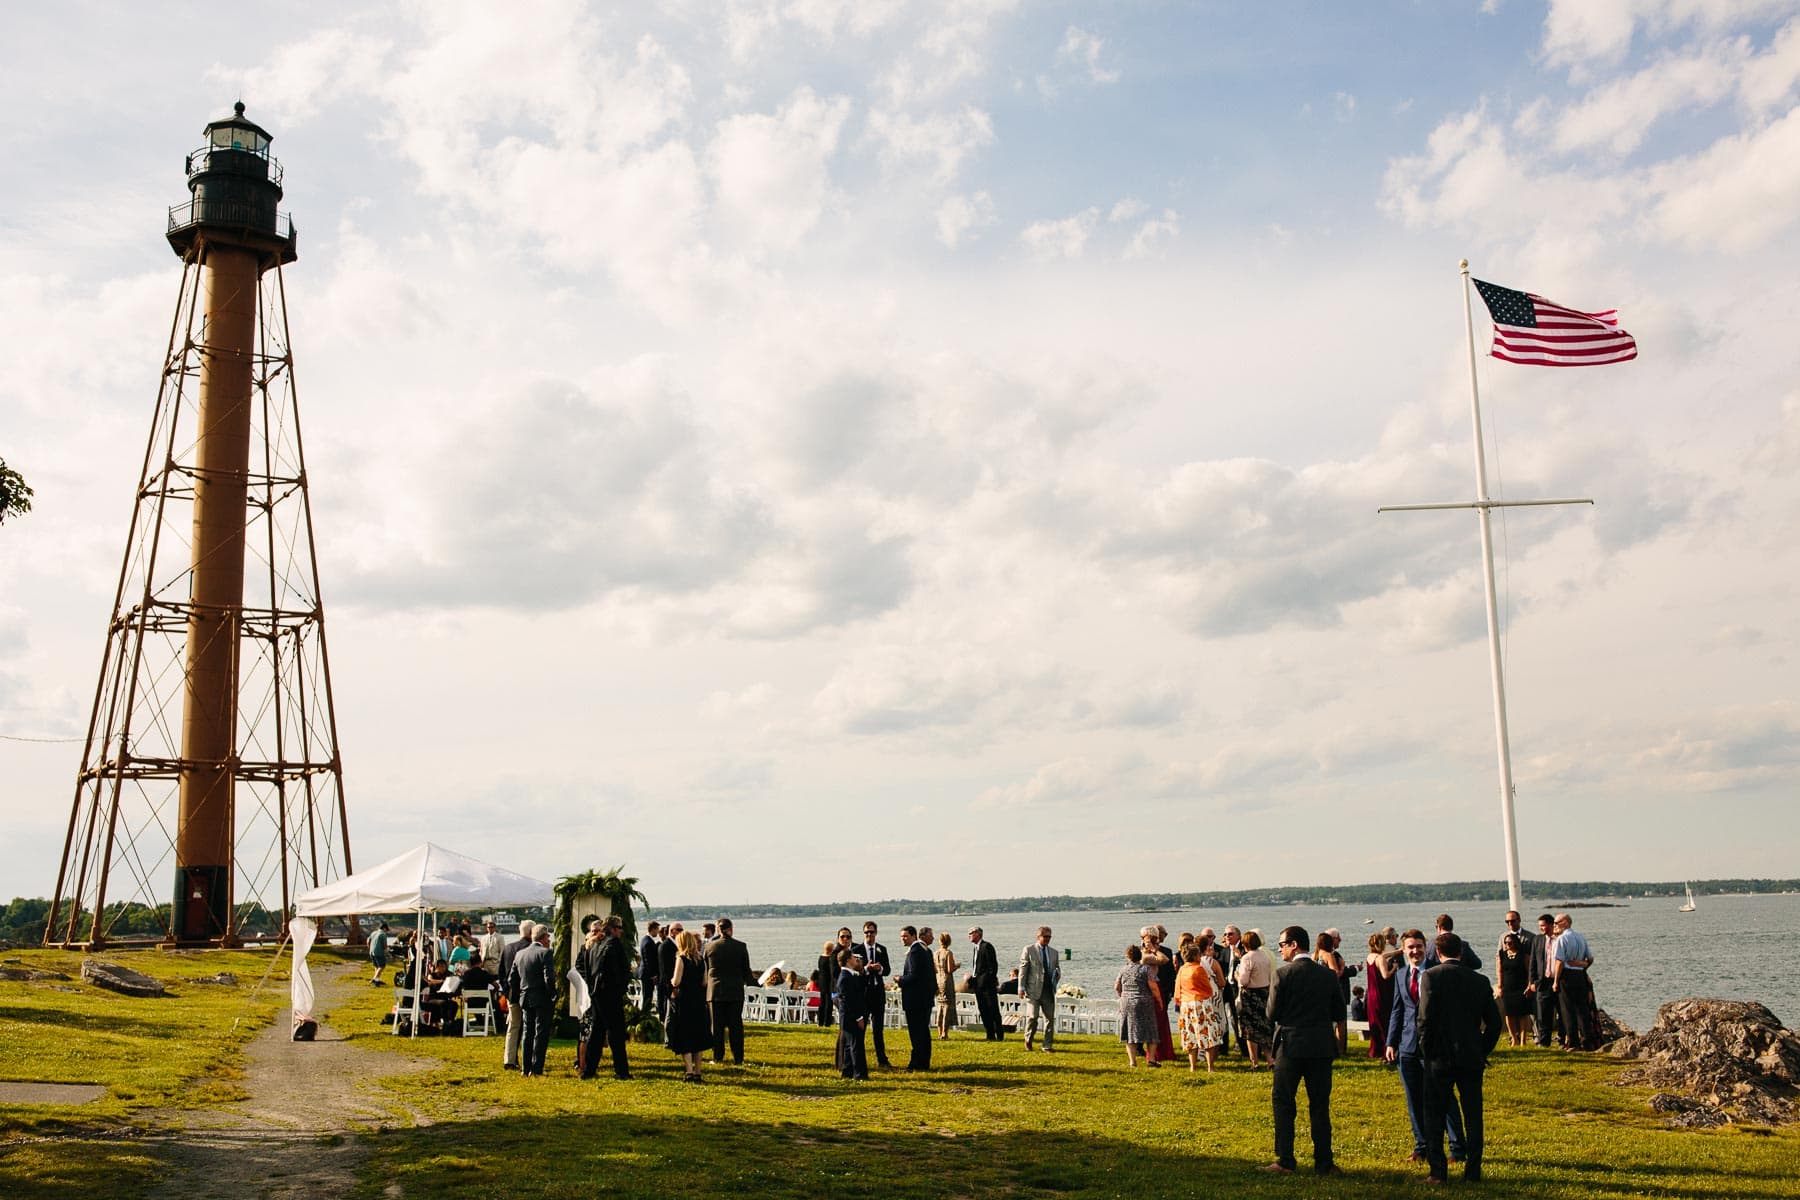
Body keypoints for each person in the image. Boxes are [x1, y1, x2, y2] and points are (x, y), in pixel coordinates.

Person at [1418, 931, 1503, 1184]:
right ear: (1461, 952)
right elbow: (1494, 1023)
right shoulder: (1479, 980)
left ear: (1437, 953)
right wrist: (1481, 1049)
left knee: (1434, 1115)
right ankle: (1473, 1172)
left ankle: (1437, 1171)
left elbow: (1424, 1020)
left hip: (1439, 1057)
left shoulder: (1430, 976)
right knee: (1473, 1115)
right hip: (1470, 1057)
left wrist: (1427, 1050)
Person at [1264, 926, 1345, 1177]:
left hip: (1291, 1044)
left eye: (1282, 944)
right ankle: (1324, 1162)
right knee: (1320, 1105)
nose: (1279, 949)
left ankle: (1285, 1159)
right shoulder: (1328, 976)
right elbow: (1339, 1013)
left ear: (1294, 945)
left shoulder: (1282, 974)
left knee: (1284, 1102)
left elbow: (1272, 1013)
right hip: (1321, 1045)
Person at [1385, 929, 1466, 1167]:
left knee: (1444, 1098)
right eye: (1410, 947)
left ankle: (1457, 1148)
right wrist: (1391, 1042)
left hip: (1436, 1047)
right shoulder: (1400, 975)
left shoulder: (1437, 971)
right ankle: (1422, 1146)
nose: (1415, 951)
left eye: (1419, 946)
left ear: (1426, 947)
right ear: (1404, 949)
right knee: (1414, 1100)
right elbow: (1397, 1010)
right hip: (1407, 1046)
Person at [579, 915, 631, 1081]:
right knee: (616, 1034)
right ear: (613, 929)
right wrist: (621, 988)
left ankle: (588, 1070)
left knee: (597, 1032)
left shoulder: (593, 944)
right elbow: (621, 970)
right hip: (610, 993)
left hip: (596, 994)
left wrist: (592, 988)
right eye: (620, 928)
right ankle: (621, 1071)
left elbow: (586, 970)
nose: (621, 931)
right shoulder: (613, 944)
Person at [702, 917, 756, 1064]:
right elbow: (746, 971)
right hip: (735, 991)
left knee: (717, 1027)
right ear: (731, 929)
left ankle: (717, 1057)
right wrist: (757, 983)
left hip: (715, 991)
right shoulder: (741, 946)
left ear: (718, 930)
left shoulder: (709, 947)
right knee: (736, 1026)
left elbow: (705, 970)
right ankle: (738, 1058)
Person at [509, 924, 556, 1077]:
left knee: (527, 1032)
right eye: (548, 937)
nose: (549, 940)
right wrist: (553, 994)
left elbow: (512, 978)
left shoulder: (520, 954)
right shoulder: (546, 953)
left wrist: (520, 992)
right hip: (541, 997)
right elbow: (548, 977)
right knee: (540, 1033)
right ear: (543, 937)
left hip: (525, 996)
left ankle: (525, 1067)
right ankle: (536, 1068)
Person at [665, 929, 710, 1082]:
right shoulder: (701, 960)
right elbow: (705, 982)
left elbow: (676, 981)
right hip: (698, 999)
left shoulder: (682, 959)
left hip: (684, 1000)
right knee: (698, 1036)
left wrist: (671, 981)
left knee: (686, 1034)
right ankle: (698, 1071)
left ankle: (689, 1071)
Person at [1550, 912, 1598, 1051]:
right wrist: (1581, 964)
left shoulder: (1561, 939)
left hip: (1566, 976)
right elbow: (1590, 959)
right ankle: (1587, 1041)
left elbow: (1559, 962)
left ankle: (1573, 1043)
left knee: (1568, 1010)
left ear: (1565, 923)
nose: (1555, 926)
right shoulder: (1580, 937)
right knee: (1582, 1009)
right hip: (1580, 975)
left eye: (1556, 923)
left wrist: (1556, 981)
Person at [1174, 944, 1222, 1073]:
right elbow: (1208, 988)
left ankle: (1192, 1067)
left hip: (1186, 1004)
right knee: (1208, 1035)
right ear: (1195, 956)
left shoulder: (1182, 969)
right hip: (1200, 1003)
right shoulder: (1199, 969)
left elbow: (1177, 989)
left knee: (1191, 1037)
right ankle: (1210, 1067)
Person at [498, 919, 536, 1070]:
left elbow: (501, 973)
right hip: (527, 992)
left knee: (513, 1027)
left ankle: (509, 1058)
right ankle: (529, 1059)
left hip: (511, 993)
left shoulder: (507, 948)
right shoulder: (531, 949)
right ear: (531, 933)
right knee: (529, 1027)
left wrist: (507, 991)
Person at [896, 925, 935, 1070]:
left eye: (905, 936)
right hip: (924, 998)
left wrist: (899, 979)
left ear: (914, 936)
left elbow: (914, 976)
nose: (903, 939)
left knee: (917, 1033)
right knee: (923, 1032)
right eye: (901, 936)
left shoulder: (915, 951)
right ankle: (924, 1061)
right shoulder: (926, 950)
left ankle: (917, 1063)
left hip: (915, 1000)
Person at [1235, 929, 1274, 1068]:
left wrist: (1237, 976)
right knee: (1264, 1027)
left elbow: (1244, 981)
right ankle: (1270, 1059)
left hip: (1251, 995)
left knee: (1250, 1030)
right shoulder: (1264, 955)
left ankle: (1254, 1062)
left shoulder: (1247, 958)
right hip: (1264, 992)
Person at [1116, 943, 1159, 1067]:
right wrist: (1159, 1000)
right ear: (1140, 956)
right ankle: (1151, 1059)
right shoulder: (1145, 969)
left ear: (1128, 957)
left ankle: (1132, 1061)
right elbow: (1154, 987)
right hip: (1144, 1002)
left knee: (1129, 1032)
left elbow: (1117, 986)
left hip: (1127, 1003)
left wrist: (1122, 996)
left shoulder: (1123, 969)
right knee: (1151, 1031)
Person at [1018, 926, 1060, 1052]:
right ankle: (1028, 1039)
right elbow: (1023, 969)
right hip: (1033, 990)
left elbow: (1056, 968)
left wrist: (1057, 975)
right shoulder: (1029, 950)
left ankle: (1047, 1045)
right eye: (1045, 937)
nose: (1047, 939)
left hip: (1048, 990)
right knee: (1033, 1017)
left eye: (1049, 937)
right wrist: (1021, 986)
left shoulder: (1054, 952)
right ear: (1038, 937)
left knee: (1050, 1019)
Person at [859, 922, 893, 1067]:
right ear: (863, 933)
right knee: (861, 1030)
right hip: (864, 994)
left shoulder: (881, 949)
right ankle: (859, 1059)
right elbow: (855, 972)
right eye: (867, 932)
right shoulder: (857, 950)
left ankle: (882, 1059)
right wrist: (867, 968)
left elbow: (887, 970)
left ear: (876, 933)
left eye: (872, 932)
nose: (869, 935)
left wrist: (879, 969)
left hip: (878, 993)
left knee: (878, 1030)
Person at [1142, 927, 1177, 1063]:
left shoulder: (1165, 951)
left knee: (1162, 1021)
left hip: (1161, 988)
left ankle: (1165, 1051)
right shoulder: (1142, 954)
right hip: (1148, 989)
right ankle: (1152, 1053)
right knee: (1152, 1022)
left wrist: (1170, 992)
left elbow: (1169, 971)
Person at [1526, 912, 1560, 1047]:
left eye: (1543, 926)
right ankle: (1544, 1041)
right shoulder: (1537, 940)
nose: (1541, 928)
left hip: (1556, 980)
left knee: (1560, 1011)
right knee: (1542, 1012)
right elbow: (1532, 962)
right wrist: (1532, 982)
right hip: (1542, 981)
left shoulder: (1559, 939)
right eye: (1540, 926)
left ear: (1551, 925)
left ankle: (1562, 1038)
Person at [835, 948, 869, 1080]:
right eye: (854, 957)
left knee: (849, 1046)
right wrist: (859, 1017)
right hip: (851, 1017)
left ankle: (847, 1071)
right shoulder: (845, 977)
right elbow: (849, 1000)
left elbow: (859, 987)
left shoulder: (850, 975)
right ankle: (860, 1074)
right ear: (848, 960)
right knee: (856, 1045)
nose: (856, 959)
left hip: (849, 1017)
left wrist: (863, 971)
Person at [1365, 930, 1400, 1061]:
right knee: (1384, 1022)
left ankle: (1375, 1049)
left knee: (1375, 1021)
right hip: (1381, 994)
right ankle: (1386, 1050)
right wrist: (1394, 968)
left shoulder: (1370, 957)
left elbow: (1384, 955)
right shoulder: (1380, 959)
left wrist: (1398, 951)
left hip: (1371, 995)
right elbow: (1385, 975)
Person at [1496, 928, 1532, 1046]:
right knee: (1509, 1013)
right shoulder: (1502, 954)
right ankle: (1514, 1038)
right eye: (1505, 942)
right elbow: (1500, 970)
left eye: (1510, 942)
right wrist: (1500, 986)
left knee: (1522, 1014)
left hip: (1520, 987)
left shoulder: (1523, 955)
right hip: (1508, 988)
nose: (1507, 945)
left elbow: (1529, 971)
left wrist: (1529, 985)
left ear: (1515, 942)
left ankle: (1523, 1040)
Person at [969, 926, 1002, 1040]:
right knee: (983, 1010)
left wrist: (987, 980)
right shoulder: (975, 948)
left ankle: (999, 1033)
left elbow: (993, 967)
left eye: (971, 933)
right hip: (977, 985)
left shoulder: (986, 946)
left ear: (977, 934)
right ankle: (990, 1033)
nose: (969, 935)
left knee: (993, 1010)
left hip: (987, 985)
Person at [817, 929, 848, 1028]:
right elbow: (833, 972)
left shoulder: (821, 958)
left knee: (822, 1002)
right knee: (828, 1004)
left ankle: (820, 1021)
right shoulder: (830, 958)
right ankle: (826, 1021)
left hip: (821, 981)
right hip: (829, 982)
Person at [933, 929, 960, 1039]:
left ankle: (939, 1031)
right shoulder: (948, 953)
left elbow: (934, 968)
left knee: (940, 1005)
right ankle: (945, 1032)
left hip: (938, 979)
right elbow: (949, 969)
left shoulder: (935, 953)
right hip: (947, 980)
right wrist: (957, 966)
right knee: (947, 1006)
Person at [637, 919, 661, 1019]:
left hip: (645, 973)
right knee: (647, 997)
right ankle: (645, 1016)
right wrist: (653, 975)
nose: (658, 933)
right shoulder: (648, 942)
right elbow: (648, 961)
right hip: (647, 974)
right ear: (653, 929)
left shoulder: (645, 940)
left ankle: (645, 1015)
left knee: (647, 996)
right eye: (657, 930)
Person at [657, 922, 680, 1022]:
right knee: (669, 1014)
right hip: (669, 985)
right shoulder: (666, 946)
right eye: (679, 930)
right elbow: (666, 969)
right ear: (671, 931)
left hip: (673, 984)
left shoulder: (674, 944)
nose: (681, 932)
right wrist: (672, 987)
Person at [368, 921, 391, 986]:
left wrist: (370, 948)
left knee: (376, 966)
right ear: (384, 928)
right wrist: (388, 953)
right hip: (379, 952)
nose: (386, 931)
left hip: (371, 952)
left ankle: (377, 980)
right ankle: (374, 979)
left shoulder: (373, 933)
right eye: (386, 929)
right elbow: (385, 946)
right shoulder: (383, 934)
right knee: (382, 966)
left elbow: (368, 941)